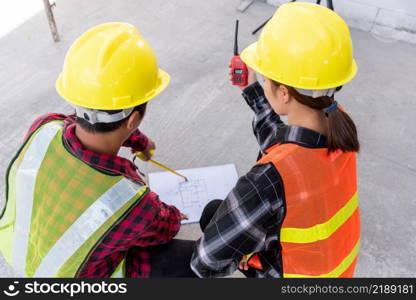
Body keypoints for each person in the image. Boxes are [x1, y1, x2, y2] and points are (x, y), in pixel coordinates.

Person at [0, 23, 195, 278]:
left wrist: (138, 141)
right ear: (134, 119)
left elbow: (89, 118)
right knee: (189, 259)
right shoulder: (132, 202)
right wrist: (173, 214)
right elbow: (167, 227)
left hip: (16, 249)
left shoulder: (45, 127)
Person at [191, 2, 361, 278]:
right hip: (335, 272)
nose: (260, 78)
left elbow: (205, 262)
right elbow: (290, 147)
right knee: (222, 214)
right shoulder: (339, 125)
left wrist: (245, 255)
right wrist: (251, 88)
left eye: (263, 75)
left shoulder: (268, 179)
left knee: (213, 217)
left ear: (283, 92)